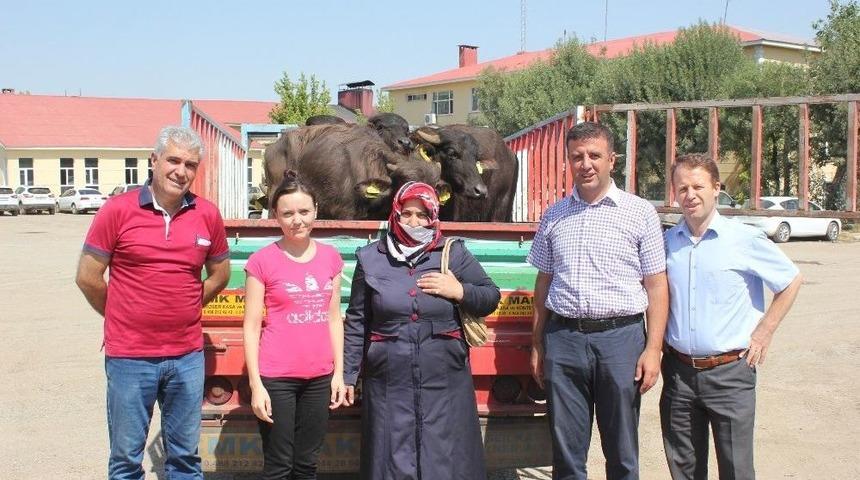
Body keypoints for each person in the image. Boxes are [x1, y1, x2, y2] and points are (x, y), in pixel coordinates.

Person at [75, 126, 231, 480]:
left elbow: (220, 274)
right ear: (154, 160)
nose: (181, 171)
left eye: (191, 165)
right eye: (173, 160)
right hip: (130, 358)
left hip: (186, 358)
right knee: (127, 462)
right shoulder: (117, 211)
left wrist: (189, 305)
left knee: (185, 461)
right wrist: (121, 313)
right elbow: (87, 276)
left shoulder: (206, 214)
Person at [528, 121, 669, 480]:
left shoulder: (640, 213)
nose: (586, 163)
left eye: (594, 155)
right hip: (564, 340)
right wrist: (537, 343)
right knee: (566, 452)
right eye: (577, 157)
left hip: (620, 341)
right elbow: (543, 283)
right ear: (568, 161)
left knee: (621, 449)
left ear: (612, 160)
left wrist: (653, 349)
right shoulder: (554, 215)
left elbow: (656, 286)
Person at [343, 181, 500, 479]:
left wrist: (459, 290)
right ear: (395, 214)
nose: (414, 222)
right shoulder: (371, 257)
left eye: (422, 215)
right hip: (389, 377)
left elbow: (490, 296)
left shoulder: (452, 253)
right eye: (407, 214)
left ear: (433, 217)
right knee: (391, 453)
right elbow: (357, 319)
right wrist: (349, 374)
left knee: (444, 453)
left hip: (444, 375)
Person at [661, 153, 802, 480]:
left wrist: (765, 331)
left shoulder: (744, 239)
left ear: (716, 188)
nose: (690, 195)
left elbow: (791, 279)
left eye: (698, 186)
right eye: (682, 188)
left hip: (730, 374)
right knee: (684, 469)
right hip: (679, 376)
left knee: (736, 469)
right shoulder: (668, 243)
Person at [242, 171, 347, 479]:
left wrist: (338, 374)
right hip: (276, 379)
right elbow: (250, 326)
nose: (297, 220)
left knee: (306, 465)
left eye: (304, 211)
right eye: (287, 213)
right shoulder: (261, 261)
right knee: (278, 466)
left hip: (319, 378)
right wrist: (256, 384)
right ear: (275, 215)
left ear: (316, 209)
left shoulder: (331, 258)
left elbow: (333, 319)